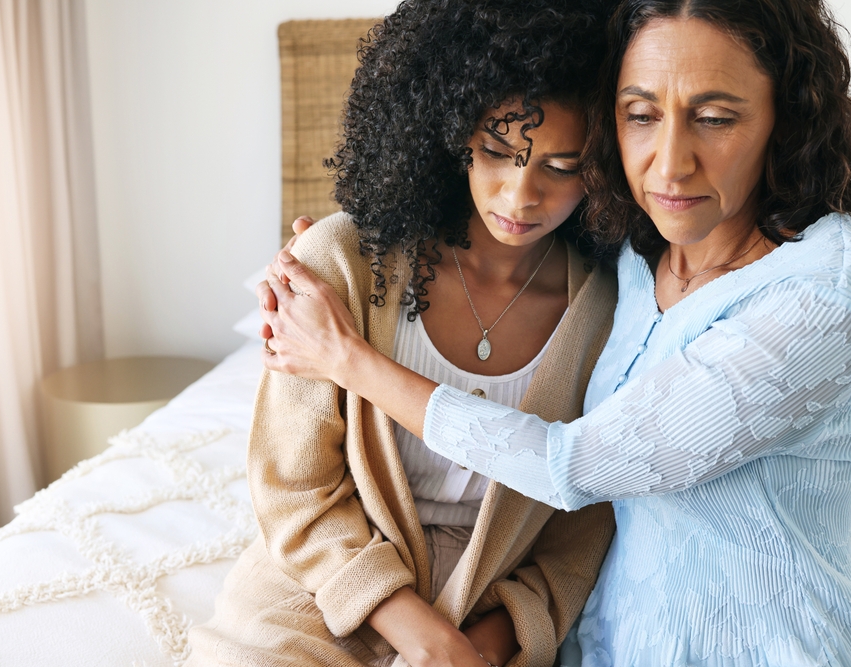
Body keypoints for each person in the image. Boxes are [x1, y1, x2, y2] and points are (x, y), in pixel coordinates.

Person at [257, 0, 851, 664]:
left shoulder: (814, 303)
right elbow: (294, 483)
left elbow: (575, 475)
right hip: (579, 639)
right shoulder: (638, 250)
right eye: (641, 115)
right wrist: (332, 256)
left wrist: (347, 358)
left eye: (714, 118)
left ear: (786, 119)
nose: (670, 165)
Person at [184, 2, 619, 667]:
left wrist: (487, 643)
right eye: (497, 151)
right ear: (452, 133)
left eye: (560, 167)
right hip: (328, 579)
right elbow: (294, 488)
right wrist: (424, 635)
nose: (520, 194)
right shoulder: (345, 262)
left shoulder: (608, 312)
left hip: (492, 602)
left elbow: (582, 528)